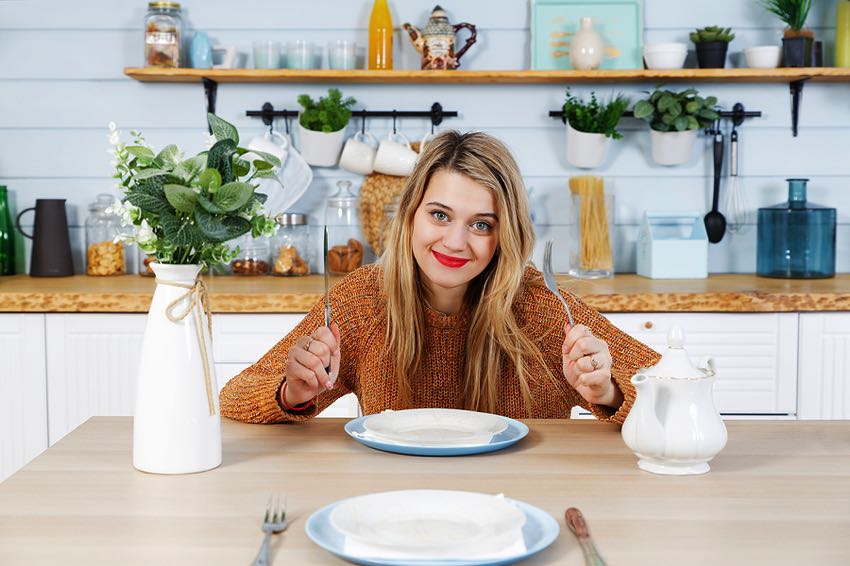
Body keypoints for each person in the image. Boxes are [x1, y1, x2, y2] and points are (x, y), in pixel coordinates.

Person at [220, 131, 660, 424]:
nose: (455, 241)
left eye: (481, 225)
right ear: (411, 214)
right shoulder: (361, 300)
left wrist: (608, 392)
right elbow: (235, 397)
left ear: (505, 233)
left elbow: (670, 391)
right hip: (398, 506)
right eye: (440, 215)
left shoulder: (543, 307)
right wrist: (293, 391)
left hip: (524, 506)